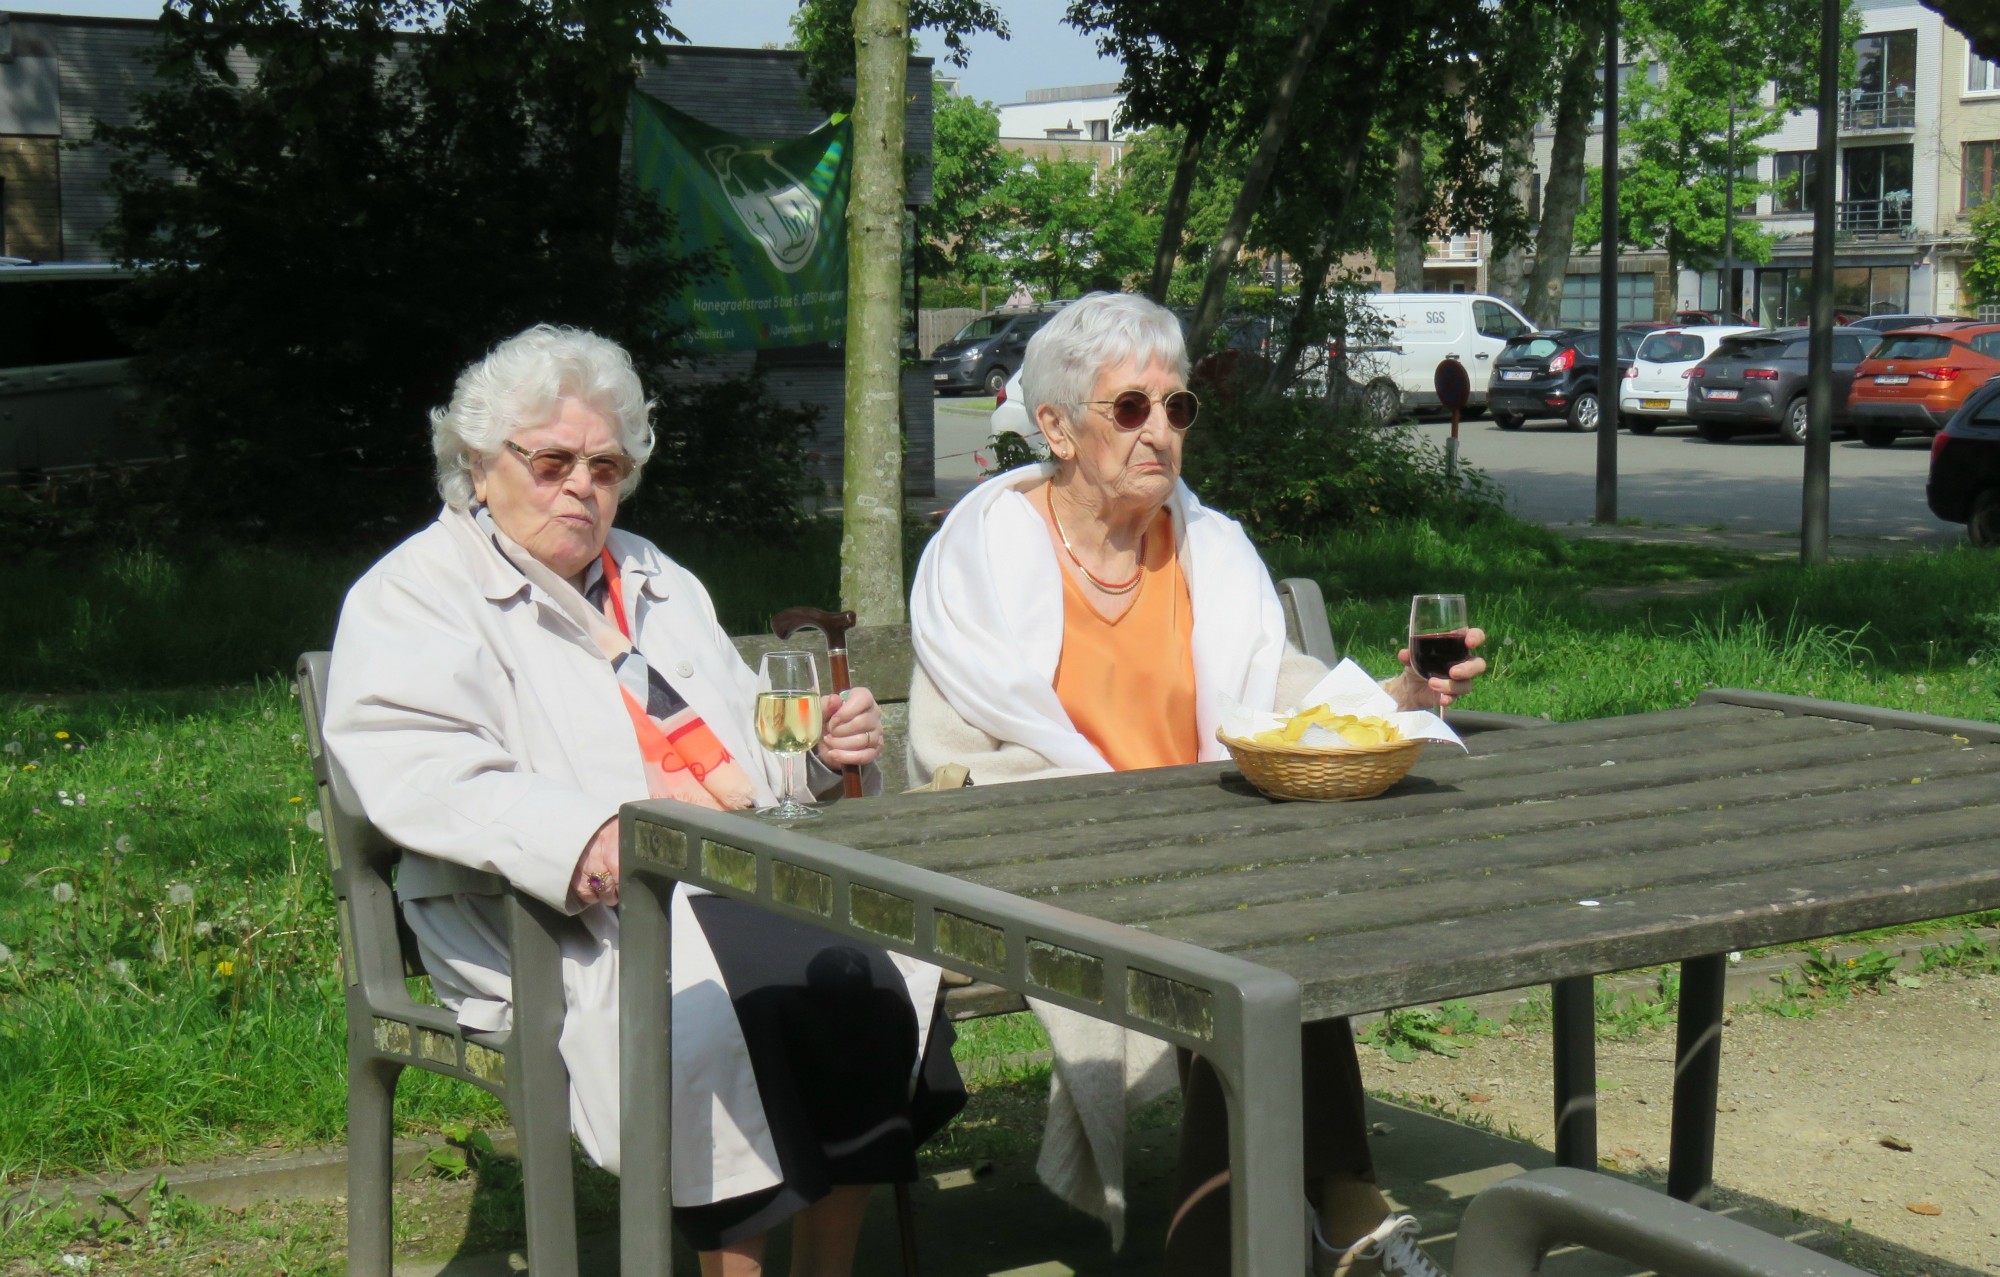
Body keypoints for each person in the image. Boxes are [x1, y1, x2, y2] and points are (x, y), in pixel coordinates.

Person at [325, 324, 963, 1277]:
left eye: (607, 465)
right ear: (478, 465)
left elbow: (749, 750)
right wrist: (591, 836)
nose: (583, 486)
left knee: (869, 970)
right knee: (730, 1007)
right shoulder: (415, 595)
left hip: (728, 872)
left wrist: (820, 756)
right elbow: (424, 770)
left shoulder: (653, 576)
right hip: (552, 915)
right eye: (551, 461)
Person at [907, 292, 1487, 1277]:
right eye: (1128, 407)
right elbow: (959, 756)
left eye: (1176, 407)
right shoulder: (981, 559)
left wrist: (1396, 692)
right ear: (1053, 426)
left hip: (1208, 856)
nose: (1160, 430)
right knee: (1243, 943)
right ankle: (1313, 1221)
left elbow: (1278, 698)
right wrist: (1136, 831)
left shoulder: (1207, 547)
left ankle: (1312, 1218)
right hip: (1046, 851)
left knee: (1268, 920)